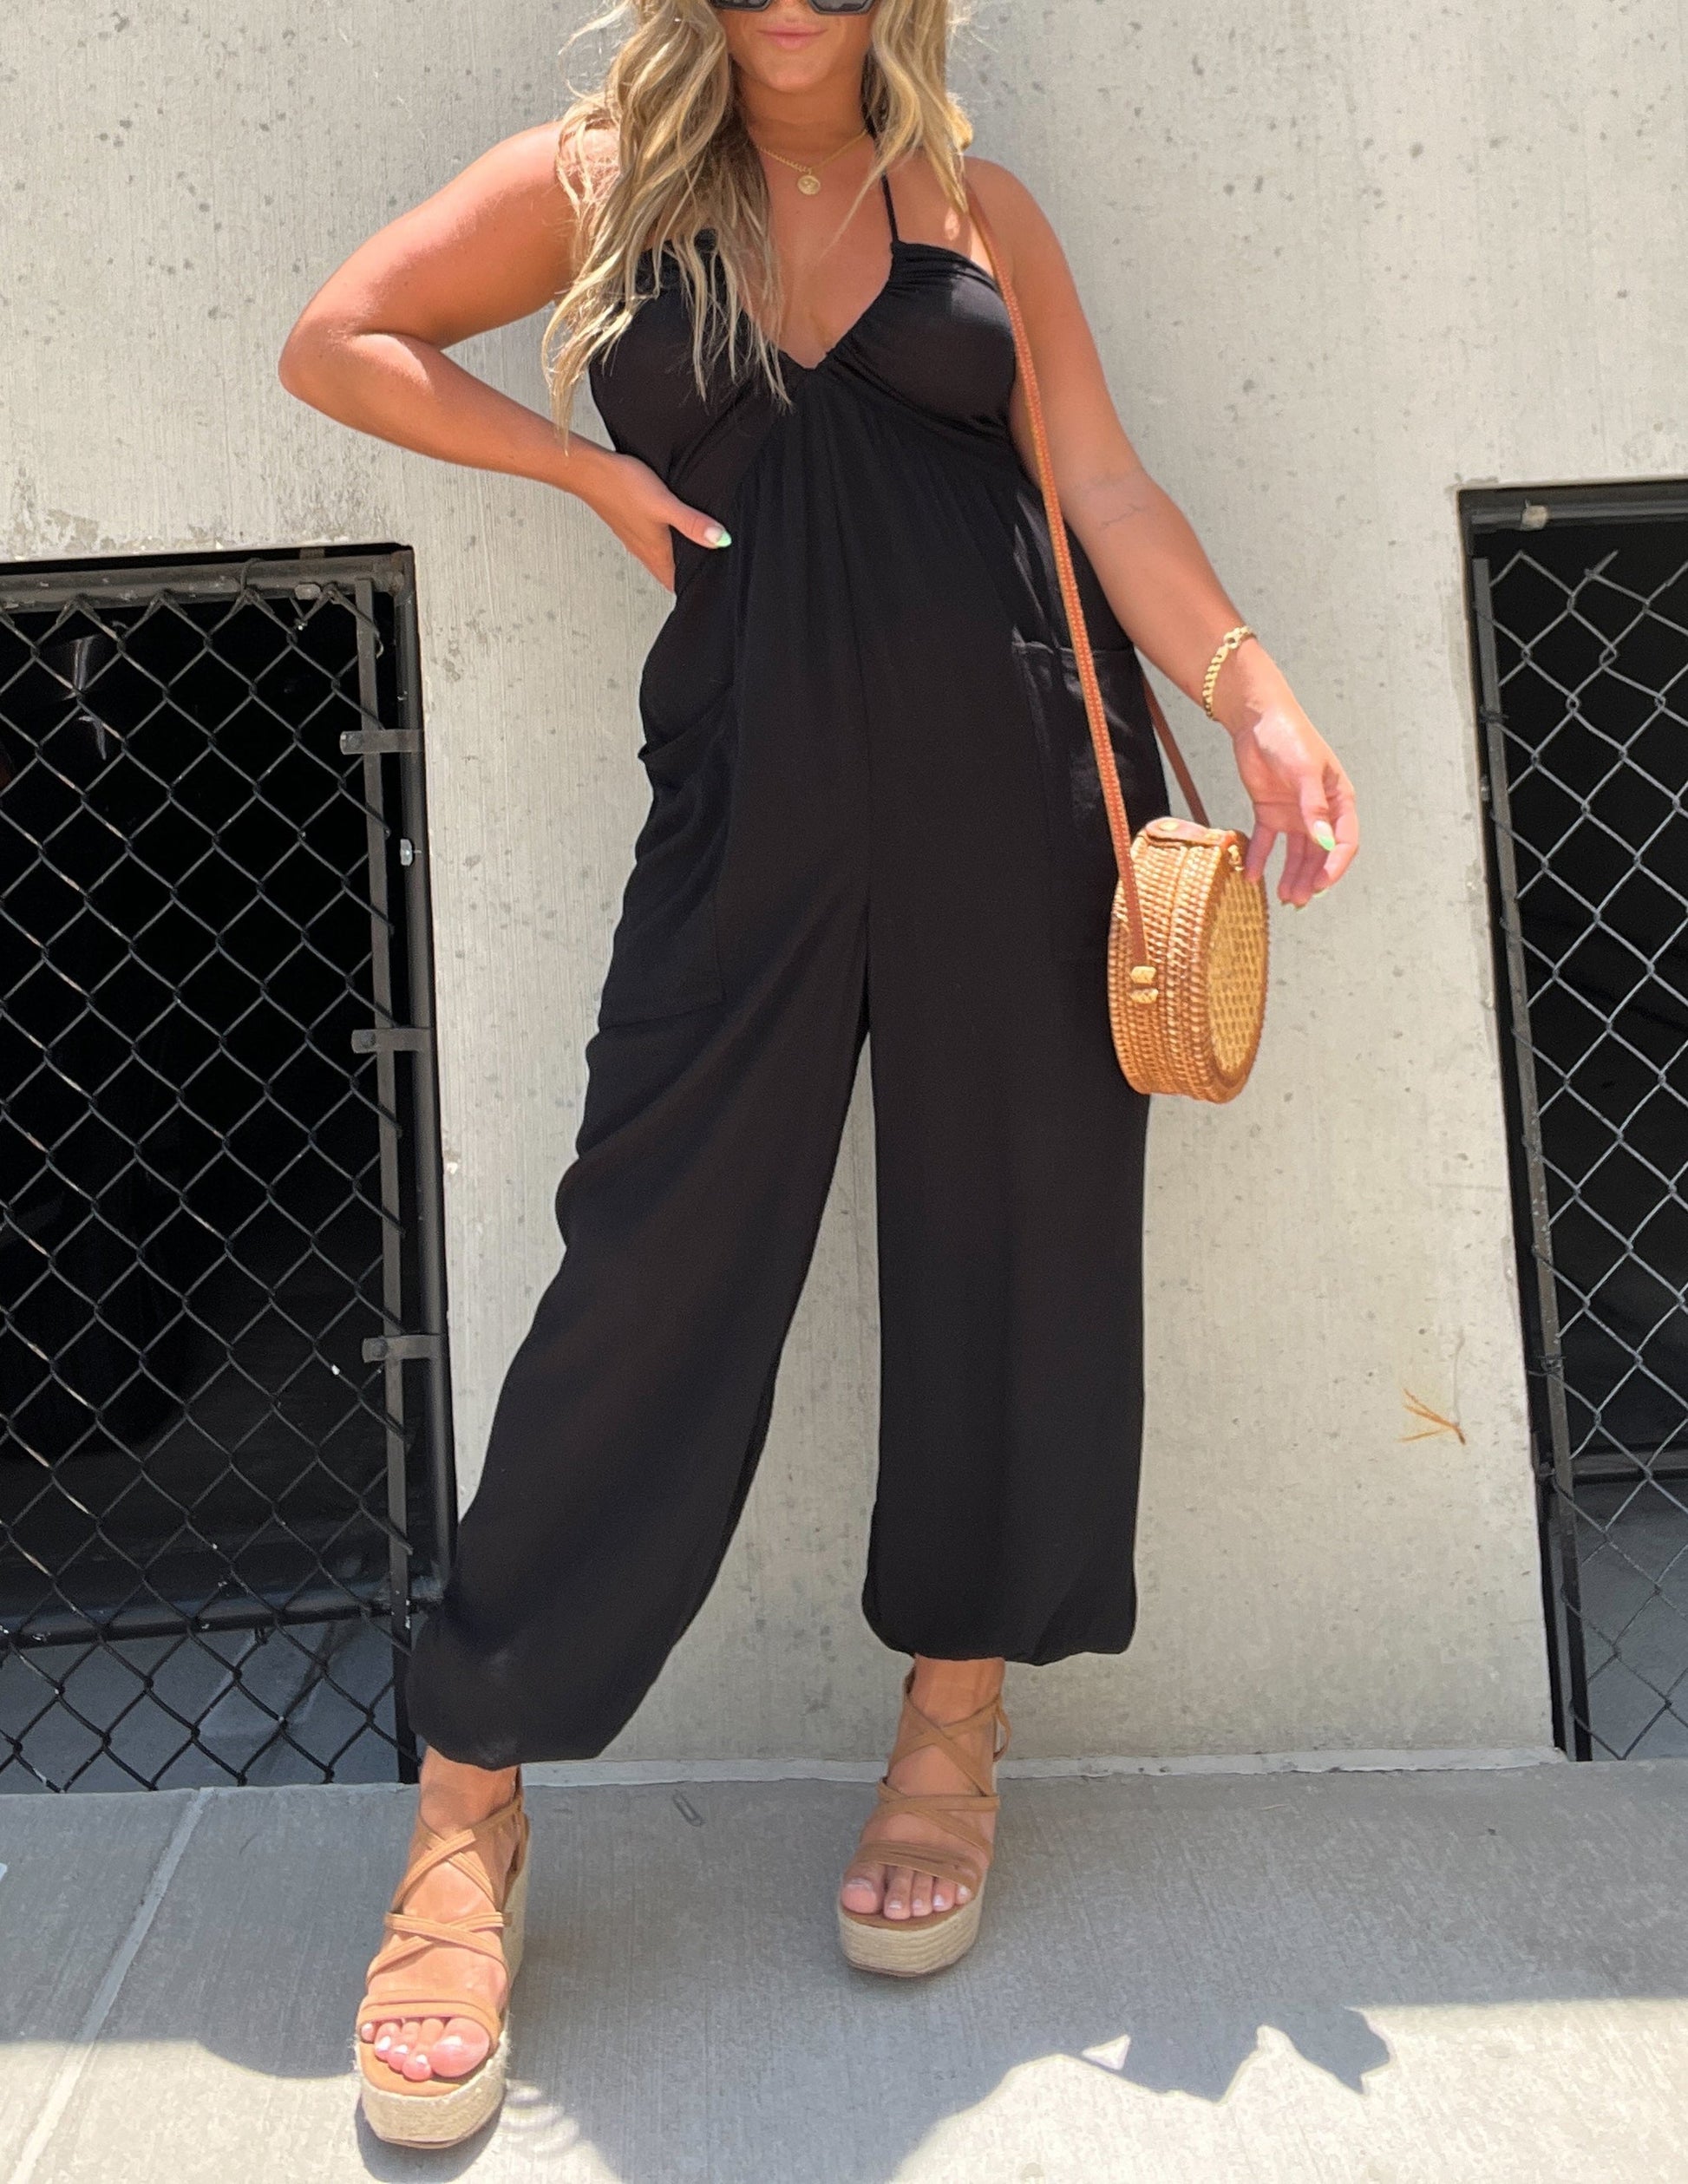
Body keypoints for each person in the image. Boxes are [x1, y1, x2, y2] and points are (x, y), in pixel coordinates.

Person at [281, 0, 1358, 2148]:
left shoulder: (978, 207)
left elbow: (1098, 481)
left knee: (1016, 1244)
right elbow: (343, 339)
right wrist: (582, 467)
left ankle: (951, 1722)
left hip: (1022, 779)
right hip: (746, 800)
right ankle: (468, 1807)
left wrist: (1254, 693)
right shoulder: (596, 183)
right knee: (648, 1266)